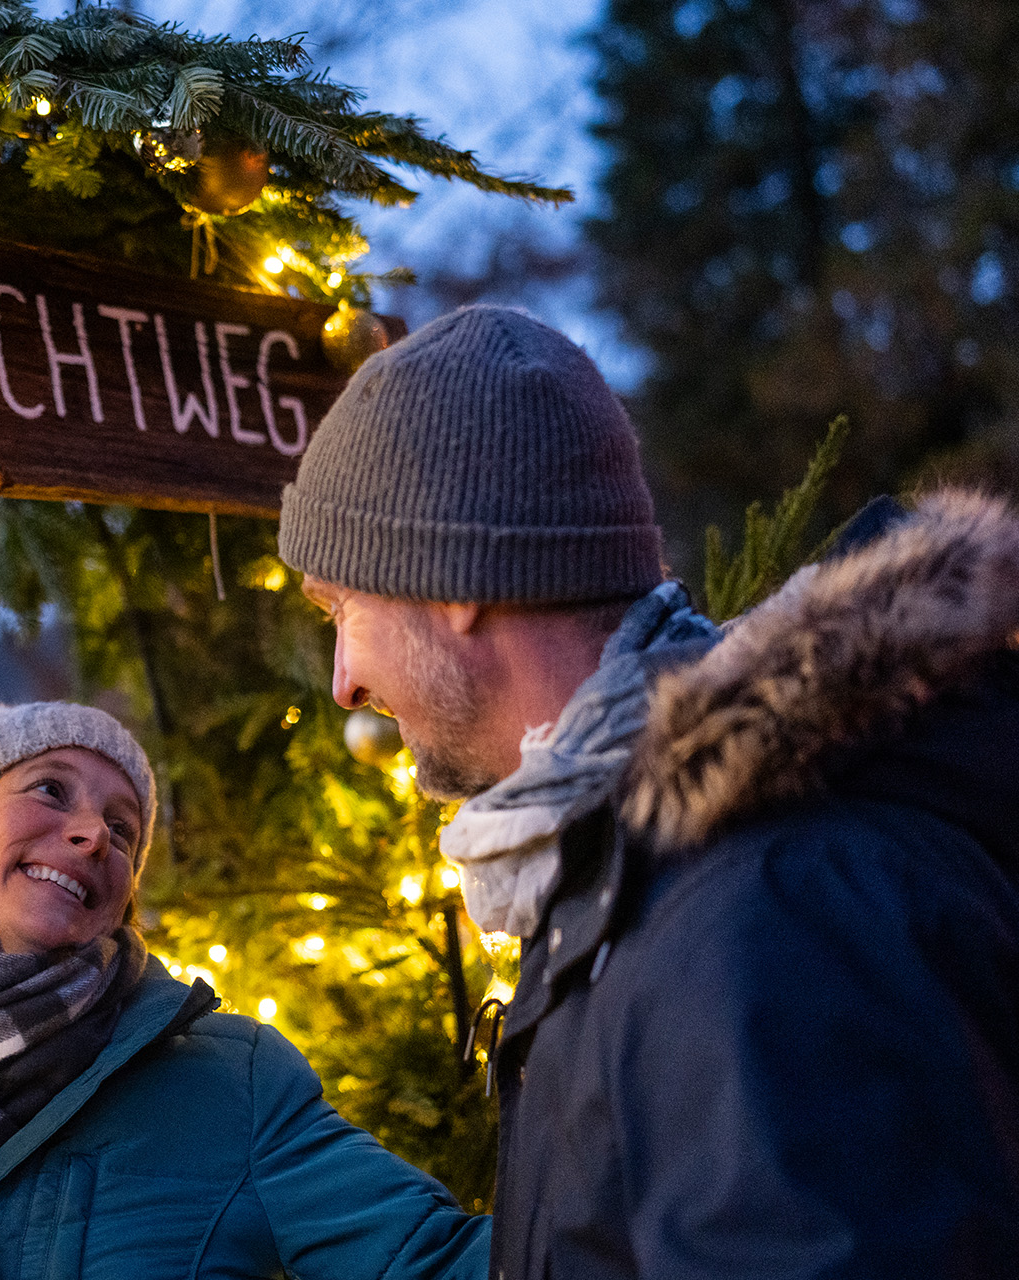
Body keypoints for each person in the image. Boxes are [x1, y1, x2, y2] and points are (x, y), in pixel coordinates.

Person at [278, 303, 1019, 1279]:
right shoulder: (641, 879)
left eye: (344, 608)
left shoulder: (764, 912)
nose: (344, 680)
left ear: (453, 577)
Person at [0, 701, 491, 1280]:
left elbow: (436, 1263)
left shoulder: (231, 1081)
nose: (94, 836)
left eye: (122, 829)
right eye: (51, 791)